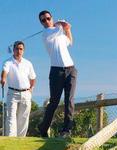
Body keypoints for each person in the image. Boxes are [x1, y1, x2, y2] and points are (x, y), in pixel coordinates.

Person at [37, 10, 78, 138]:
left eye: (48, 18)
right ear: (41, 23)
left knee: (69, 100)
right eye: (43, 20)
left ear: (51, 18)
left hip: (71, 69)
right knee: (54, 102)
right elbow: (60, 27)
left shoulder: (59, 34)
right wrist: (62, 24)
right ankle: (43, 128)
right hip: (56, 71)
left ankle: (66, 130)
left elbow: (70, 42)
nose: (46, 21)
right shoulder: (46, 33)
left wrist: (68, 29)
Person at [1, 41, 37, 137]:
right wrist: (3, 79)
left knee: (24, 117)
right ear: (13, 50)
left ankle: (21, 139)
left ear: (23, 51)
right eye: (17, 49)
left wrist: (31, 88)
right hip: (13, 93)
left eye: (21, 49)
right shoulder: (8, 62)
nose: (19, 51)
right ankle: (11, 138)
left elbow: (33, 78)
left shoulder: (28, 63)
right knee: (11, 116)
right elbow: (5, 71)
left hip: (26, 93)